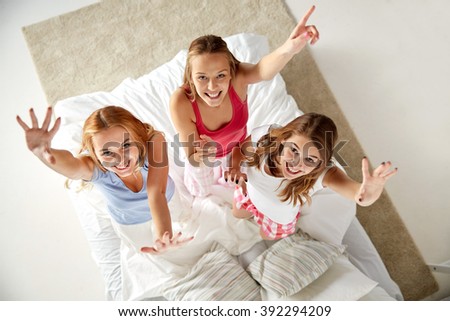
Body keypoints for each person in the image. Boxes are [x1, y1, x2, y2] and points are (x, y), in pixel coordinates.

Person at [170, 6, 320, 197]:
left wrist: (289, 48)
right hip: (204, 158)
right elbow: (192, 157)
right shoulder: (181, 103)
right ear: (190, 77)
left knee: (250, 189)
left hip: (237, 150)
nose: (212, 86)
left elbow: (262, 70)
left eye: (220, 75)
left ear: (231, 71)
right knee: (201, 192)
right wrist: (203, 157)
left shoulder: (238, 79)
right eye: (202, 78)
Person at [17, 106, 192, 254]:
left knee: (186, 238)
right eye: (107, 153)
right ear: (94, 154)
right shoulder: (94, 168)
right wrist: (45, 152)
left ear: (138, 137)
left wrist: (164, 235)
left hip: (168, 205)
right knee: (153, 255)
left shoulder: (154, 141)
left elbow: (156, 191)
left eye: (126, 146)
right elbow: (72, 166)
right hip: (132, 224)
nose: (120, 159)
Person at [231, 113, 398, 240]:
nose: (296, 163)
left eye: (309, 159)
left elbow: (357, 193)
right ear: (283, 139)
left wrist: (367, 194)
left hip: (277, 219)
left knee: (263, 237)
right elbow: (239, 150)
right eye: (294, 150)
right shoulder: (266, 137)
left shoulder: (324, 173)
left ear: (320, 163)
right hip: (249, 195)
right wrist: (235, 168)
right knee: (237, 214)